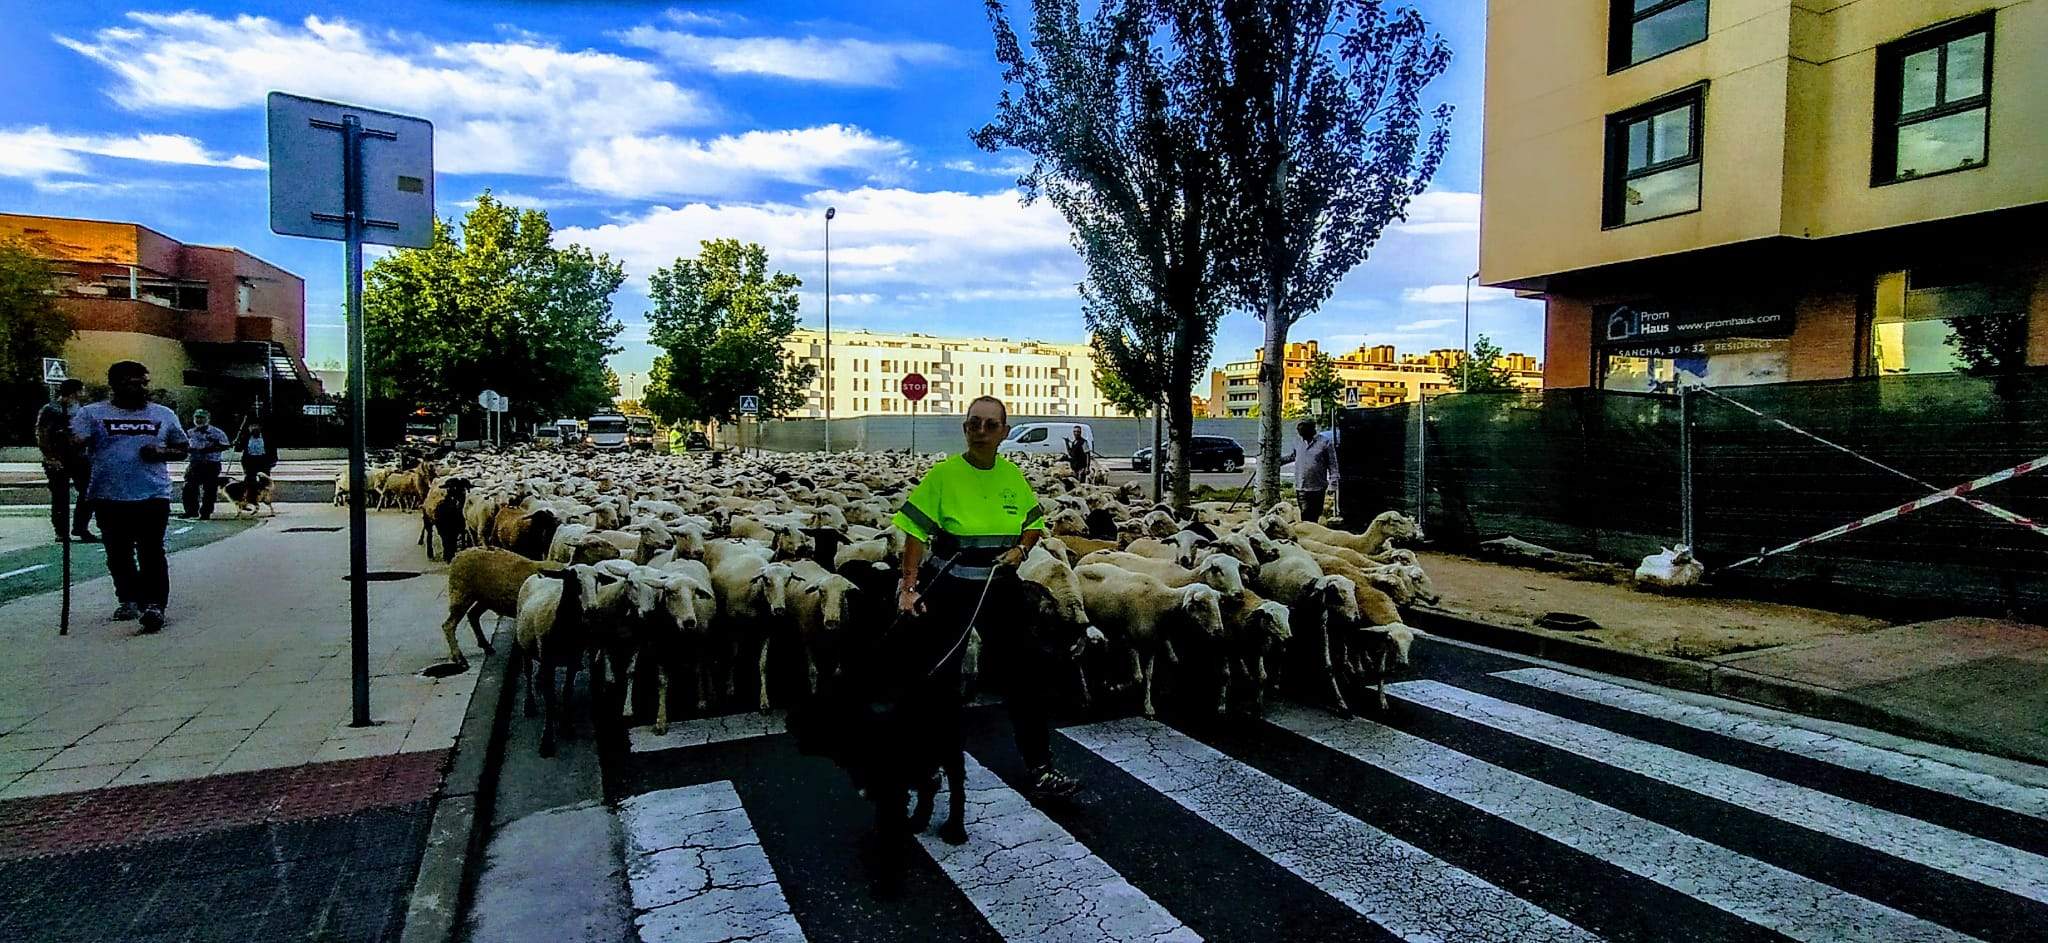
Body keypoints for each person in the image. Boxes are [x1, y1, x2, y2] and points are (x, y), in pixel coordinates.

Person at [893, 395, 1082, 801]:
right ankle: (926, 766)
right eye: (974, 423)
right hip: (951, 585)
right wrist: (909, 587)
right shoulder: (943, 476)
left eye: (990, 425)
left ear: (1004, 432)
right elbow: (914, 529)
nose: (981, 431)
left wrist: (1022, 549)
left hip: (999, 586)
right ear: (965, 428)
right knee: (942, 678)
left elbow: (1034, 522)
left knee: (1023, 675)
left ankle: (1041, 767)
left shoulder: (1012, 476)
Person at [71, 361, 187, 631]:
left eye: (143, 382)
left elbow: (182, 449)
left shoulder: (164, 414)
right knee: (118, 552)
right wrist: (63, 443)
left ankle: (154, 605)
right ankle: (128, 598)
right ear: (115, 384)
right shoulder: (92, 414)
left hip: (153, 494)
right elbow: (75, 445)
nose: (140, 388)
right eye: (132, 382)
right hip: (108, 495)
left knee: (151, 551)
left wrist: (161, 453)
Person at [35, 378, 98, 544]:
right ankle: (61, 532)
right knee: (60, 496)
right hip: (58, 458)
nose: (84, 393)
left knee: (88, 492)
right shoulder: (51, 410)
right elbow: (43, 434)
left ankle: (80, 527)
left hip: (79, 457)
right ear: (75, 392)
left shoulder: (80, 409)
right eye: (81, 390)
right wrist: (50, 457)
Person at [1278, 417, 1339, 524]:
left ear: (1311, 429)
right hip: (1301, 486)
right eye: (1298, 431)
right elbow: (1294, 456)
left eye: (1302, 430)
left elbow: (1333, 465)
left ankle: (1313, 534)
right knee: (1305, 514)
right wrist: (1277, 462)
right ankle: (1307, 534)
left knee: (1315, 515)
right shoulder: (1297, 441)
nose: (1300, 433)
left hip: (1318, 487)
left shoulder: (1325, 443)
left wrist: (1333, 484)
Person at [180, 409, 230, 520]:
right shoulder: (190, 432)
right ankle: (191, 510)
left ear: (208, 419)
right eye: (197, 418)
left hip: (211, 463)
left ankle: (206, 512)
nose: (199, 420)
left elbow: (225, 445)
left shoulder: (217, 432)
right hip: (195, 463)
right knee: (189, 487)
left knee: (209, 489)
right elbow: (183, 446)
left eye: (202, 418)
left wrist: (210, 448)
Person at [235, 418, 276, 498]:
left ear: (260, 427)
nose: (254, 428)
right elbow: (238, 449)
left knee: (264, 479)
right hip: (250, 460)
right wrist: (237, 443)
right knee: (249, 480)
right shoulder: (246, 437)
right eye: (252, 426)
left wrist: (273, 460)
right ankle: (250, 497)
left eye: (256, 426)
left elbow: (272, 449)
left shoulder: (267, 437)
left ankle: (264, 495)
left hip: (263, 460)